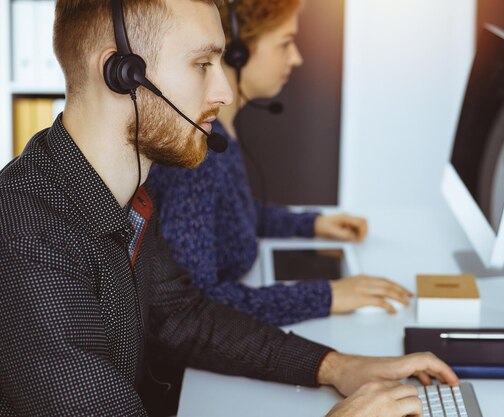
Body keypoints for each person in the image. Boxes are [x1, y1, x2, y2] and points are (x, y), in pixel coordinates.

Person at [0, 0, 459, 415]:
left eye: (221, 62)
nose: (223, 91)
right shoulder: (27, 242)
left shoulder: (128, 198)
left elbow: (184, 317)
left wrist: (334, 366)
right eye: (202, 64)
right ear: (121, 73)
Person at [146, 0, 413, 327]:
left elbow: (232, 217)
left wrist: (311, 224)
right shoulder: (198, 154)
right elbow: (196, 307)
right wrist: (325, 296)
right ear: (237, 52)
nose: (296, 57)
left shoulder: (218, 133)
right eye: (285, 43)